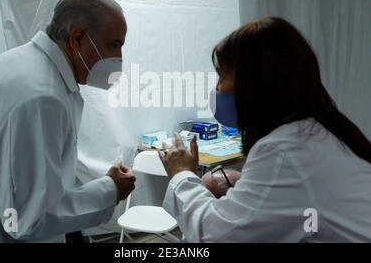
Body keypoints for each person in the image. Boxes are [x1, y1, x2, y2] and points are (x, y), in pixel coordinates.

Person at [159, 17, 371, 242]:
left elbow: (216, 236)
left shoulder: (284, 149)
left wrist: (182, 174)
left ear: (254, 82)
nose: (217, 88)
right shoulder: (322, 131)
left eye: (222, 76)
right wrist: (246, 186)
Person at [0, 0, 136, 242]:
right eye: (114, 44)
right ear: (78, 39)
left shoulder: (18, 62)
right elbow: (29, 217)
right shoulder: (41, 96)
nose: (119, 58)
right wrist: (111, 189)